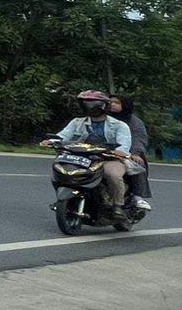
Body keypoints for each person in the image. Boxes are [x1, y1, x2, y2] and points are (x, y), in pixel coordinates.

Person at [42, 89, 133, 220]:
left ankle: (117, 206)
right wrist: (51, 141)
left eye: (94, 104)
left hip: (108, 159)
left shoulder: (119, 125)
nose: (90, 107)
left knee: (112, 174)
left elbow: (124, 145)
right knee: (59, 171)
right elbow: (63, 136)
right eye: (86, 104)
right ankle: (63, 199)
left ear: (104, 106)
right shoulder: (77, 122)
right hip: (82, 157)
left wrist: (119, 151)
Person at [109, 95, 153, 208]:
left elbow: (138, 138)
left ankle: (137, 196)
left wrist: (135, 153)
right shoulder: (103, 118)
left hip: (126, 153)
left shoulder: (134, 122)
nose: (112, 104)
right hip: (103, 152)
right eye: (110, 102)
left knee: (137, 165)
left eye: (117, 103)